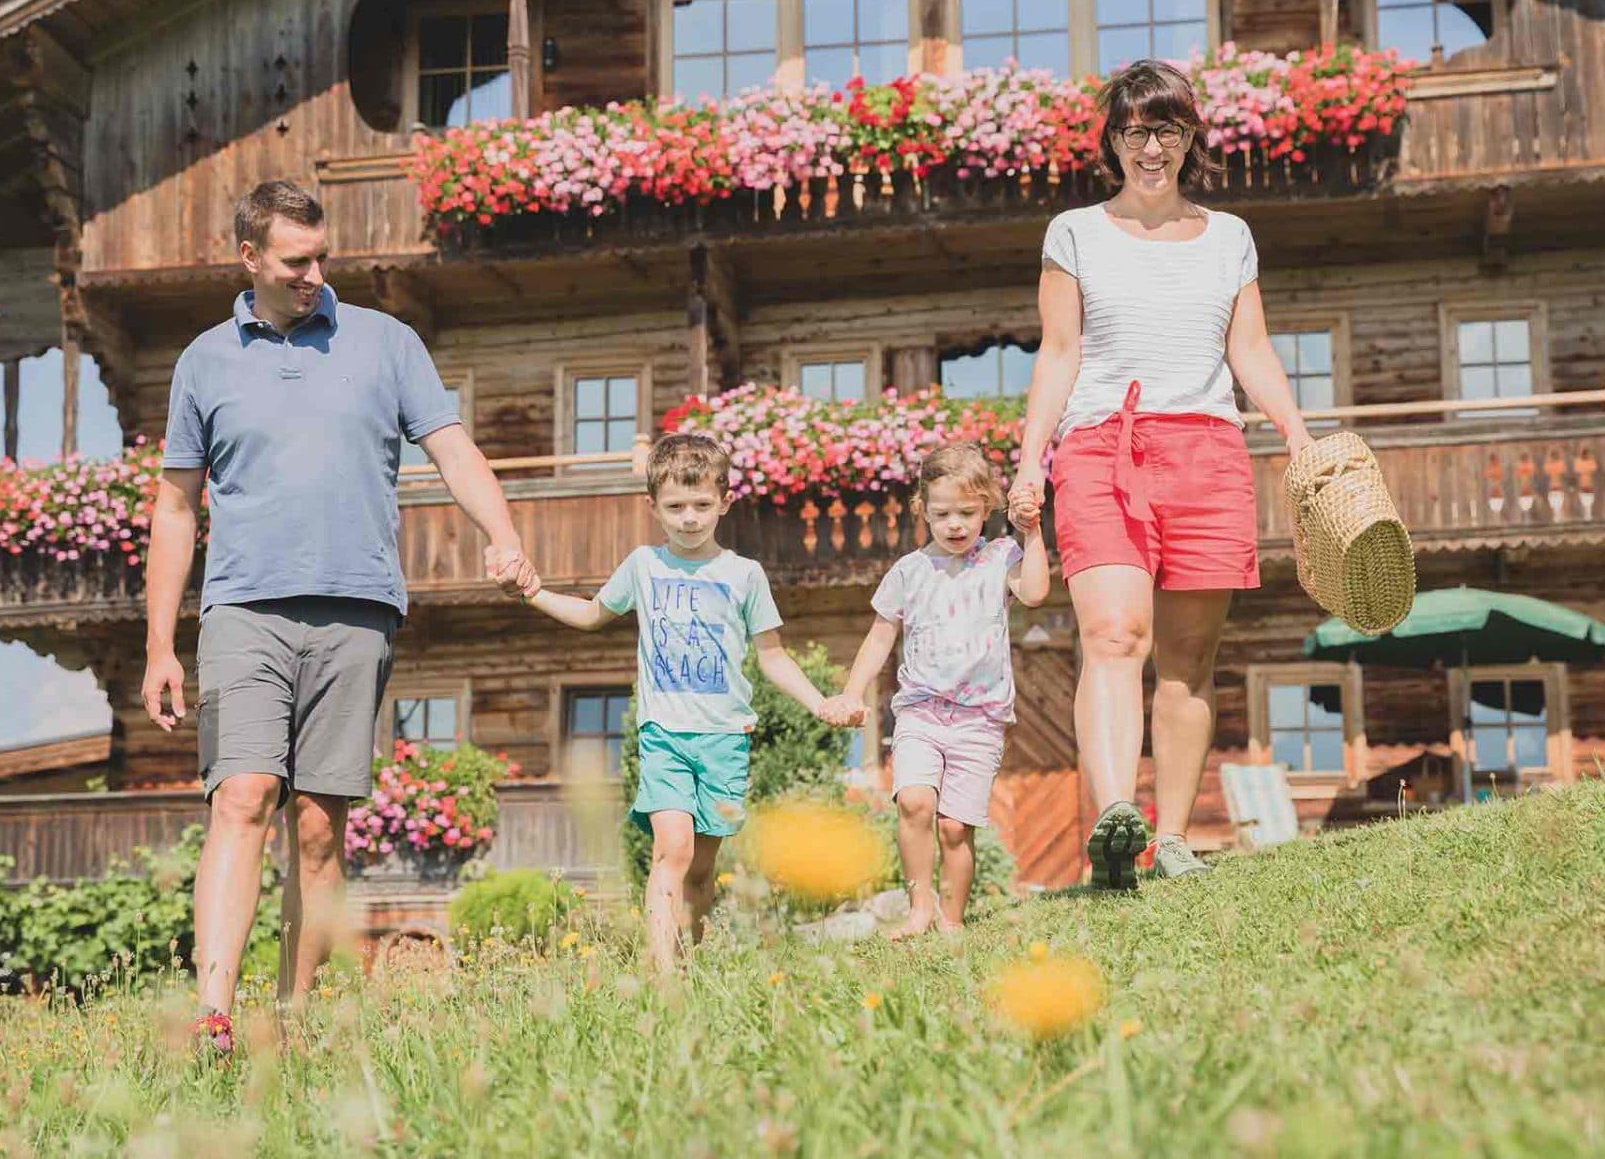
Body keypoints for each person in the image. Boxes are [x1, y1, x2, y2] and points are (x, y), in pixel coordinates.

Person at [138, 179, 535, 1049]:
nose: (316, 273)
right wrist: (160, 642)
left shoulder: (386, 344)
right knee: (242, 794)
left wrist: (501, 532)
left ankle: (297, 1016)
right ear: (249, 258)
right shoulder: (205, 361)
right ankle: (215, 1011)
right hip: (243, 605)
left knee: (319, 827)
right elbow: (176, 506)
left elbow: (452, 449)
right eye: (295, 261)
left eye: (322, 257)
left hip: (357, 609)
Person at [1008, 60, 1312, 888]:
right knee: (1112, 635)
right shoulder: (1074, 232)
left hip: (1209, 449)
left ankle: (1171, 837)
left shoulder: (1229, 237)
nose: (1152, 146)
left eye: (1168, 129)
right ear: (1112, 141)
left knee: (1188, 656)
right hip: (1102, 445)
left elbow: (1247, 348)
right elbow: (1060, 352)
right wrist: (1031, 460)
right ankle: (1116, 820)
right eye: (1137, 130)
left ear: (1190, 140)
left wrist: (1297, 431)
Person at [521, 431, 841, 972]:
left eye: (700, 505)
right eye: (674, 507)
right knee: (675, 849)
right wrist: (533, 593)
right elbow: (591, 614)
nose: (688, 518)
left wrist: (819, 702)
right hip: (664, 734)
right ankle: (661, 970)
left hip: (725, 738)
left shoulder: (744, 575)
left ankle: (691, 959)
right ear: (653, 507)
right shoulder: (644, 566)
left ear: (724, 503)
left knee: (701, 868)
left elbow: (774, 657)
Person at [831, 443, 1049, 937]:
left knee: (954, 827)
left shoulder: (1000, 557)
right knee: (912, 802)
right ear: (922, 510)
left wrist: (1031, 530)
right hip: (920, 712)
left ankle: (952, 920)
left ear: (987, 508)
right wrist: (852, 692)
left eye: (967, 513)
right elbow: (880, 636)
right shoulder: (909, 571)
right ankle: (920, 909)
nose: (955, 524)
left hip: (980, 718)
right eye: (943, 513)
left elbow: (1035, 593)